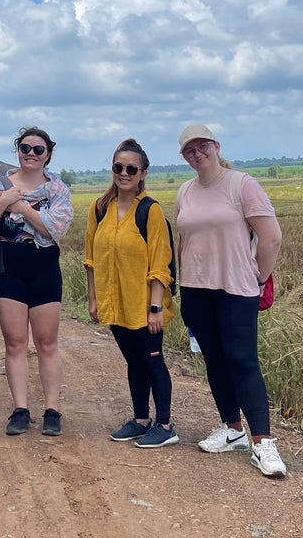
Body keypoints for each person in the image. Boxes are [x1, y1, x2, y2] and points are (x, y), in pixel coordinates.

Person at [174, 123, 286, 478]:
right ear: (184, 156)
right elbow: (183, 242)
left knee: (243, 360)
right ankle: (232, 429)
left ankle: (263, 442)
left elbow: (271, 238)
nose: (197, 153)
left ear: (216, 146)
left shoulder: (242, 184)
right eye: (189, 150)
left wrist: (261, 276)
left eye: (202, 145)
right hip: (195, 287)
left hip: (236, 288)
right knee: (215, 359)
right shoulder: (185, 191)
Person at [0, 127, 74, 436]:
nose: (31, 154)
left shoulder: (56, 187)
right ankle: (20, 409)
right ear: (18, 149)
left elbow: (54, 229)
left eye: (38, 150)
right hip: (8, 265)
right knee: (15, 342)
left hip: (44, 265)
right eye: (25, 148)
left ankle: (52, 409)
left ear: (48, 154)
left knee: (46, 342)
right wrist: (4, 200)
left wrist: (19, 207)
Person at [84, 138, 179, 449]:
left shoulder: (149, 211)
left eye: (131, 168)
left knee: (152, 361)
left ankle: (165, 424)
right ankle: (140, 420)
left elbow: (160, 263)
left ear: (143, 173)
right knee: (133, 362)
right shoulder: (99, 208)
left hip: (144, 305)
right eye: (118, 167)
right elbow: (91, 260)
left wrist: (154, 308)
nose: (123, 173)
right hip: (115, 304)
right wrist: (94, 299)